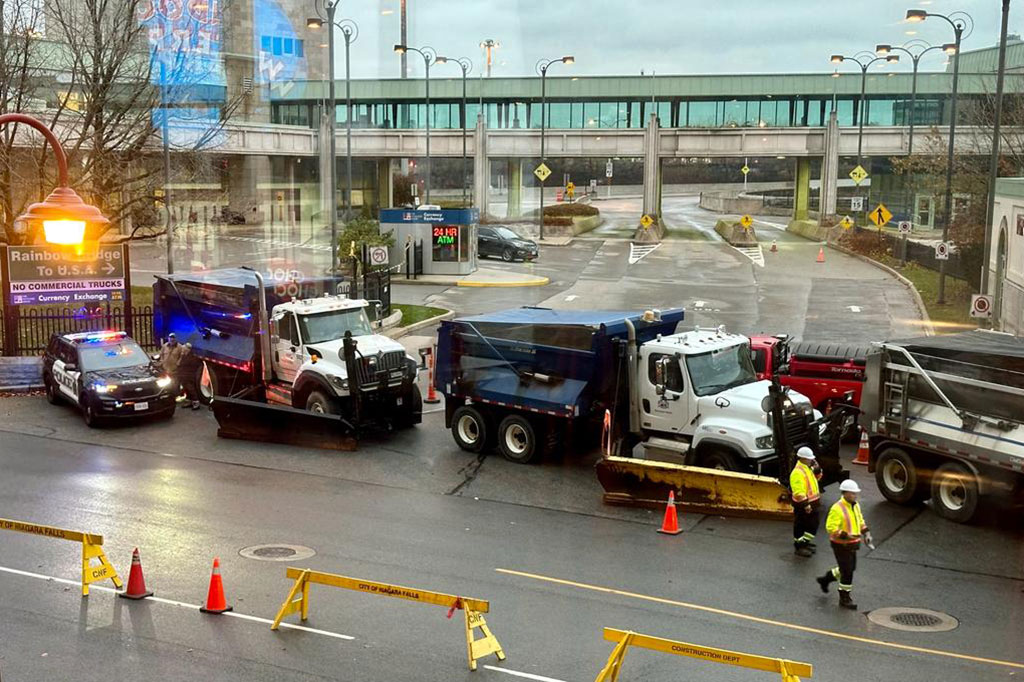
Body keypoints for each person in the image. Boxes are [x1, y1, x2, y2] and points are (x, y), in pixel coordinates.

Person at [817, 479, 872, 610]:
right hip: (841, 544)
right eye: (852, 493)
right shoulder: (837, 508)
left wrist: (866, 533)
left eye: (855, 493)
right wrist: (845, 535)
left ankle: (825, 579)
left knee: (849, 568)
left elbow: (860, 521)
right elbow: (831, 527)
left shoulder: (855, 505)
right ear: (845, 493)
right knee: (847, 571)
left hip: (853, 543)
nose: (855, 495)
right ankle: (844, 598)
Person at [789, 446, 822, 557]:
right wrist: (805, 504)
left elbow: (816, 479)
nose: (812, 460)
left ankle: (805, 543)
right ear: (803, 458)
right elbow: (798, 492)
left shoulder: (807, 468)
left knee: (812, 524)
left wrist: (817, 471)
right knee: (801, 525)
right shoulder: (798, 473)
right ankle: (799, 546)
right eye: (809, 458)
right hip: (804, 505)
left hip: (812, 503)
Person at [158, 333, 195, 407]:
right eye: (170, 338)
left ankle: (175, 398)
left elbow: (182, 356)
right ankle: (168, 398)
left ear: (175, 339)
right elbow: (161, 354)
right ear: (168, 338)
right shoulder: (165, 346)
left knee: (175, 385)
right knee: (166, 385)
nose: (172, 339)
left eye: (173, 338)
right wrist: (161, 362)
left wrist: (178, 364)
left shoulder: (180, 347)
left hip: (175, 370)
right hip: (166, 369)